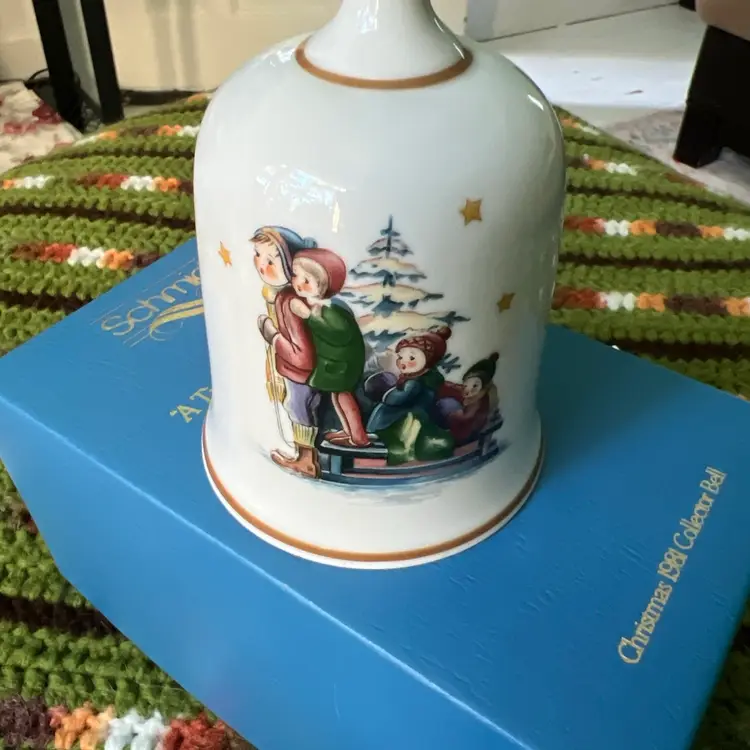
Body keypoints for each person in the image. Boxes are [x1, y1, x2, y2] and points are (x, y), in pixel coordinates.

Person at [252, 226, 321, 478]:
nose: (262, 265)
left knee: (298, 406)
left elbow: (302, 353)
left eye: (271, 260)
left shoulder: (291, 303)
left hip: (300, 371)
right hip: (292, 369)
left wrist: (273, 335)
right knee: (295, 406)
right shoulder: (282, 297)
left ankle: (307, 461)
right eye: (258, 255)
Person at [288, 248, 371, 447]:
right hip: (335, 363)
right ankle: (351, 432)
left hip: (343, 364)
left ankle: (359, 437)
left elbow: (339, 334)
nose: (298, 283)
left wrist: (309, 317)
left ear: (323, 285)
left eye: (307, 280)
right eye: (295, 275)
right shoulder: (319, 305)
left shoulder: (331, 308)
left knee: (344, 396)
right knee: (338, 396)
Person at [365, 327, 455, 465]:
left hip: (411, 417)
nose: (403, 361)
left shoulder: (415, 382)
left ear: (428, 361)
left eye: (412, 358)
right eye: (401, 357)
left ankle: (385, 444)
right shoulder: (418, 378)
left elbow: (399, 399)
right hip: (412, 413)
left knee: (385, 413)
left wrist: (387, 395)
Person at [437, 353, 500, 445]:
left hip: (464, 433)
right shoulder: (462, 392)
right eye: (465, 385)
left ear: (483, 389)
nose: (467, 390)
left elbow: (471, 418)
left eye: (475, 387)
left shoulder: (479, 402)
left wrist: (459, 416)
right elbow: (450, 387)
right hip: (455, 425)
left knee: (449, 404)